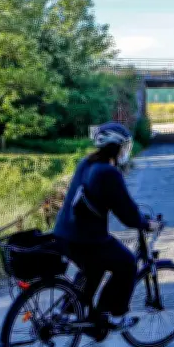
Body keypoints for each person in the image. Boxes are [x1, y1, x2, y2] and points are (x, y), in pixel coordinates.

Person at [52, 122, 158, 332]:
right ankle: (113, 316)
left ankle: (68, 311)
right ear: (117, 147)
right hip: (87, 239)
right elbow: (127, 213)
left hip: (64, 234)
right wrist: (146, 223)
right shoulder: (109, 173)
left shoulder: (87, 163)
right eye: (125, 146)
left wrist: (135, 215)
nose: (126, 151)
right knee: (127, 263)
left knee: (94, 269)